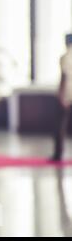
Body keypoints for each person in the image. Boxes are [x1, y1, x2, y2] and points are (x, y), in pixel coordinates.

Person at [51, 34, 72, 162]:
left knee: (60, 124)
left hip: (68, 93)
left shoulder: (65, 57)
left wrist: (60, 94)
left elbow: (63, 77)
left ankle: (58, 154)